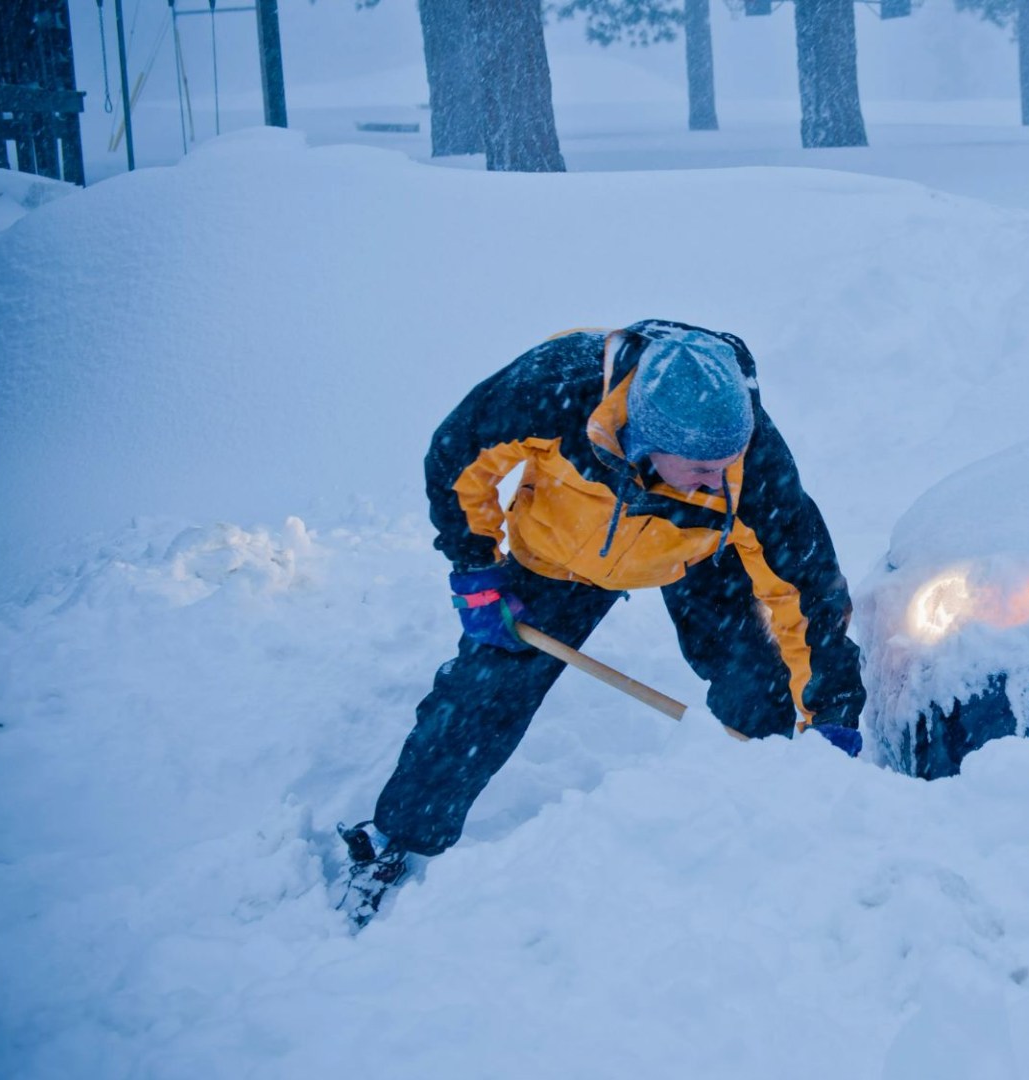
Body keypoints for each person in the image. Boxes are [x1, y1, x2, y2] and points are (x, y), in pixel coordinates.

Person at [337, 320, 866, 926]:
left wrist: (830, 712)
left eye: (727, 464)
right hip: (558, 555)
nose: (718, 480)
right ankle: (396, 838)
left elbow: (806, 594)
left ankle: (778, 809)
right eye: (700, 468)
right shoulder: (553, 389)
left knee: (757, 682)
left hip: (692, 552)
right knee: (483, 698)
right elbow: (459, 457)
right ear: (647, 437)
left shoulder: (752, 465)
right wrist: (475, 569)